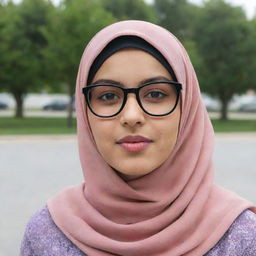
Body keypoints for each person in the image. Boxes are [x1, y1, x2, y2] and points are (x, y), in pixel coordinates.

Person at [20, 20, 256, 256]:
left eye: (155, 93)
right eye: (108, 95)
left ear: (187, 107)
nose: (131, 116)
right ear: (84, 111)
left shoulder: (240, 237)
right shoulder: (47, 233)